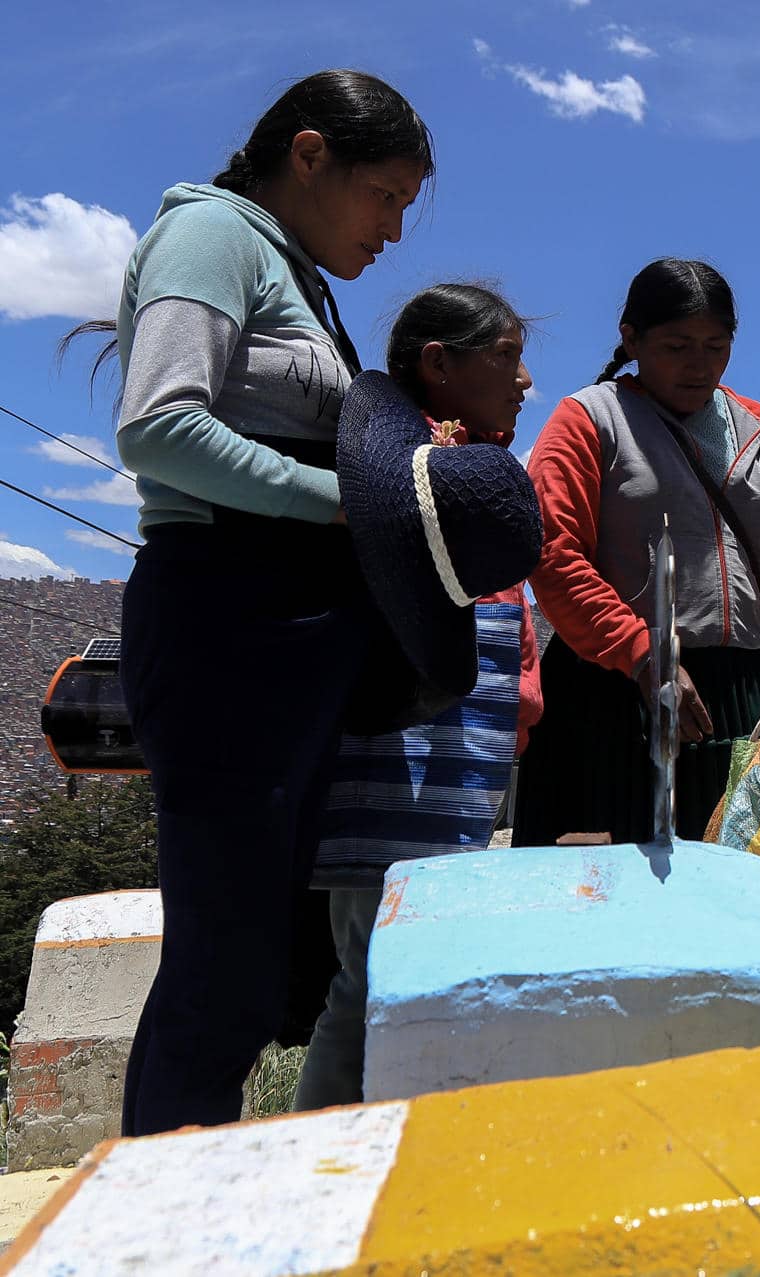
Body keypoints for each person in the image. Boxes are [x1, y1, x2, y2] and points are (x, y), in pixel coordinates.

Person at [110, 70, 433, 1135]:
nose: (393, 228)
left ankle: (179, 1192)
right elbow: (158, 426)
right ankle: (151, 1221)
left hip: (285, 647)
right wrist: (343, 504)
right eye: (384, 194)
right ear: (308, 155)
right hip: (229, 626)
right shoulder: (212, 237)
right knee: (223, 971)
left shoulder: (295, 275)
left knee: (251, 969)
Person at [293, 284, 544, 1111]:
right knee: (370, 973)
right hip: (394, 762)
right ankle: (320, 1155)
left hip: (447, 766)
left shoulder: (463, 478)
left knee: (402, 971)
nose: (524, 380)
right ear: (440, 364)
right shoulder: (396, 492)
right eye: (505, 357)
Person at [515, 258, 760, 845]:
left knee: (734, 889)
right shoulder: (588, 421)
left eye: (717, 346)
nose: (700, 365)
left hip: (743, 699)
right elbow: (553, 553)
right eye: (678, 345)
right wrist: (643, 654)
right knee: (609, 890)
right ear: (631, 339)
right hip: (613, 696)